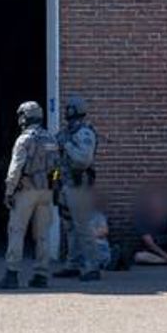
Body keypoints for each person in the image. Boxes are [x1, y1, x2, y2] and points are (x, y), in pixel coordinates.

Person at [0, 101, 59, 290]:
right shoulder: (51, 139)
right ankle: (41, 275)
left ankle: (12, 274)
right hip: (46, 191)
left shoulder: (23, 140)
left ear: (25, 117)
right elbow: (57, 167)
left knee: (16, 231)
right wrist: (53, 185)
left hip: (26, 191)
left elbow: (15, 168)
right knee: (42, 235)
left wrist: (9, 191)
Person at [53, 95, 102, 282]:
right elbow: (55, 157)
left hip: (79, 185)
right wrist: (55, 180)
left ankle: (92, 267)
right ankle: (72, 264)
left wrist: (66, 145)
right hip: (65, 185)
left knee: (83, 227)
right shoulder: (66, 132)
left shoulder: (85, 133)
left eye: (70, 108)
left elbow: (83, 160)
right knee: (70, 228)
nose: (67, 111)